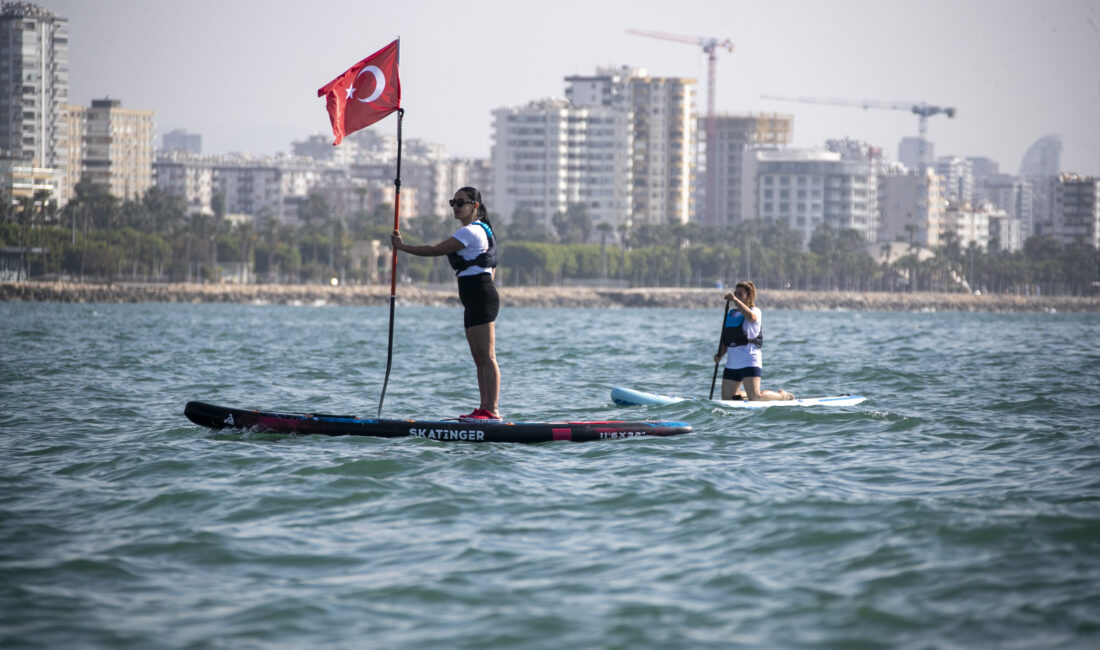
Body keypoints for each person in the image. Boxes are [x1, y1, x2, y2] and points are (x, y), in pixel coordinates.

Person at [391, 187, 501, 421]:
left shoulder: (472, 231)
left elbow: (435, 250)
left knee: (487, 356)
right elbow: (491, 265)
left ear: (475, 206)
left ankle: (493, 411)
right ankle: (483, 408)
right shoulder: (480, 231)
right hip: (474, 298)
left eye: (460, 203)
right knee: (478, 358)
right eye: (453, 202)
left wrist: (403, 247)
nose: (455, 207)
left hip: (481, 297)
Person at [712, 280, 794, 402]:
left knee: (755, 397)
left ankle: (783, 396)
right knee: (727, 398)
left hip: (749, 360)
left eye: (740, 294)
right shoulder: (731, 314)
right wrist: (719, 355)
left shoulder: (755, 311)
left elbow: (751, 317)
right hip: (732, 363)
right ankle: (746, 395)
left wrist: (735, 300)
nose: (736, 296)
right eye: (735, 293)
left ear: (748, 296)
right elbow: (727, 340)